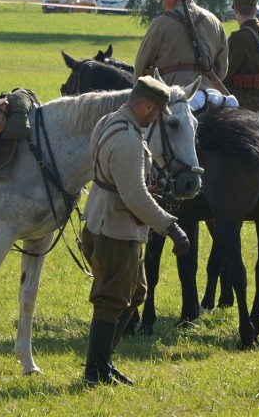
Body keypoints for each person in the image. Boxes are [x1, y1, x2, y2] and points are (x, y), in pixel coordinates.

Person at [80, 75, 191, 387]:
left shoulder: (109, 121)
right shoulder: (128, 140)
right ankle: (95, 372)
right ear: (146, 106)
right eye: (156, 112)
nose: (157, 118)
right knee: (111, 300)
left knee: (135, 294)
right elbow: (135, 197)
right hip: (115, 228)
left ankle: (103, 364)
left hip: (107, 220)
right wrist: (172, 227)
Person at [133, 0, 227, 88]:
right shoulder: (215, 22)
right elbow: (222, 68)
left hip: (170, 94)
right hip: (207, 93)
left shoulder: (161, 22)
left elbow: (142, 63)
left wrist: (136, 87)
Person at [223, 0, 259, 112]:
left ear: (235, 9)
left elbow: (224, 73)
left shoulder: (238, 37)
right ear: (255, 10)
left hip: (240, 104)